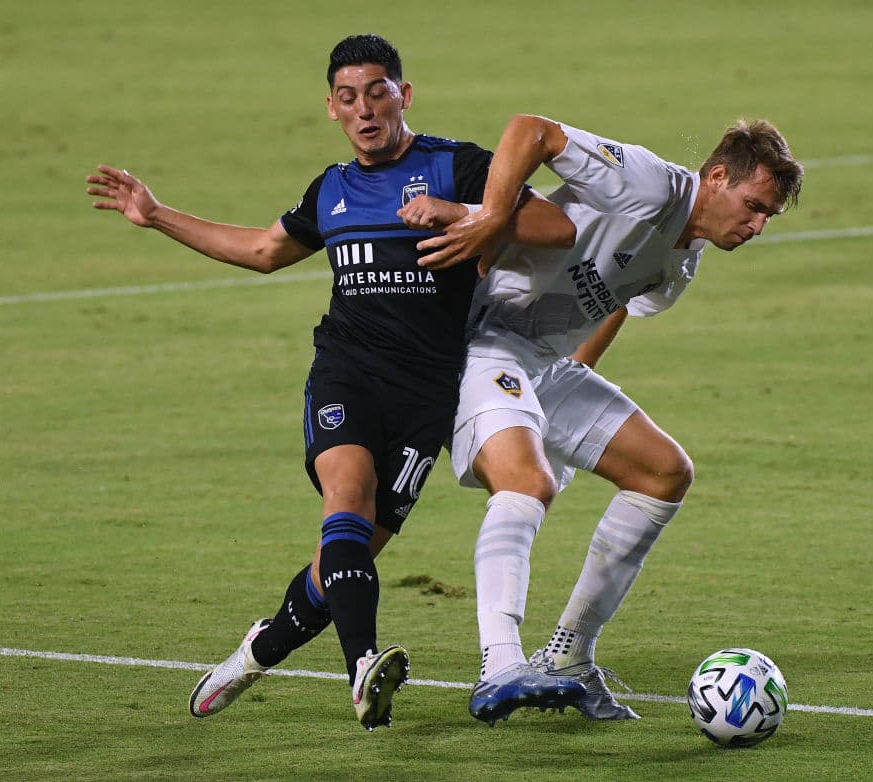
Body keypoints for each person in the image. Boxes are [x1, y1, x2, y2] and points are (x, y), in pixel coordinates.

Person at [84, 37, 581, 731]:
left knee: (336, 571)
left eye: (378, 91)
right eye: (348, 98)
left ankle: (258, 650)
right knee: (345, 498)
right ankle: (363, 672)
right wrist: (157, 214)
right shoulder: (333, 189)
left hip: (426, 393)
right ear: (331, 109)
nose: (364, 109)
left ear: (404, 95)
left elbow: (557, 229)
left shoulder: (457, 165)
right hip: (346, 368)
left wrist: (463, 214)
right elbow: (263, 251)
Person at [404, 114, 804, 724]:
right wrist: (488, 217)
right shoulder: (650, 187)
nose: (755, 225)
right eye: (752, 206)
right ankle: (500, 664)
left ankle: (569, 656)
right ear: (717, 177)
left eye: (767, 218)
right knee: (528, 484)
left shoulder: (684, 262)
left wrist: (558, 405)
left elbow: (616, 300)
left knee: (664, 472)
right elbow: (530, 131)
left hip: (542, 362)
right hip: (481, 339)